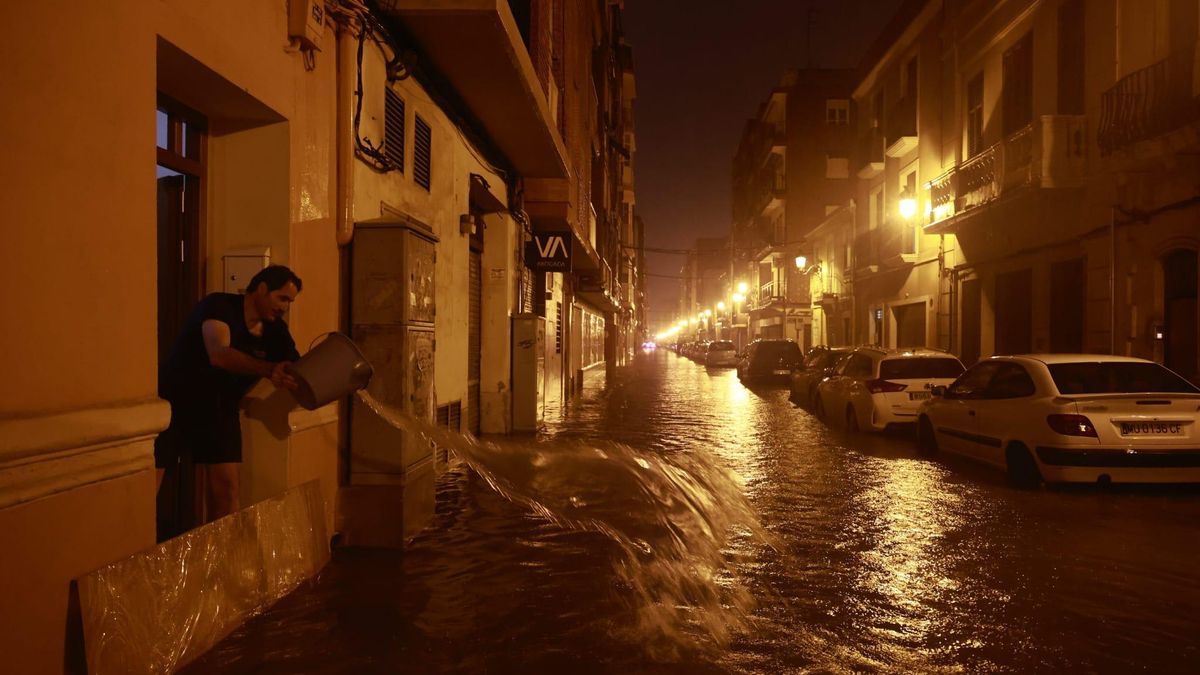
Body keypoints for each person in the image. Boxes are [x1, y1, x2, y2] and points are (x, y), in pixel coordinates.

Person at [155, 264, 303, 522]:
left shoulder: (275, 330)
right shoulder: (219, 306)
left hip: (220, 408)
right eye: (282, 298)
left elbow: (298, 367)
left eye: (289, 301)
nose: (284, 307)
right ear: (262, 288)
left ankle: (221, 558)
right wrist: (270, 369)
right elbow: (219, 354)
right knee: (150, 485)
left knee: (226, 490)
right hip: (176, 403)